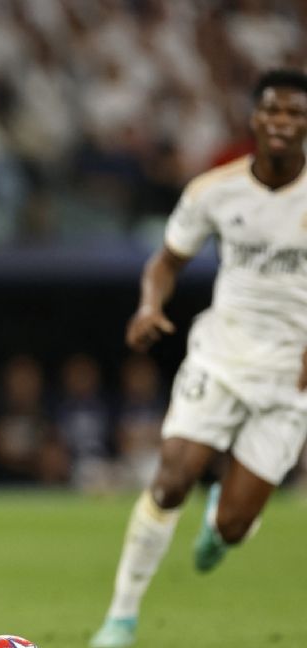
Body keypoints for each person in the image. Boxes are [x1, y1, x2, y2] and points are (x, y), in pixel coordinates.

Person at [90, 68, 307, 648]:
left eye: (295, 114)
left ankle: (221, 523)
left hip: (292, 376)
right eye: (273, 111)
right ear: (255, 118)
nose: (283, 122)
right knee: (171, 477)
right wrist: (148, 306)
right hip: (221, 355)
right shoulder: (214, 190)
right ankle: (120, 618)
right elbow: (166, 261)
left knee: (234, 526)